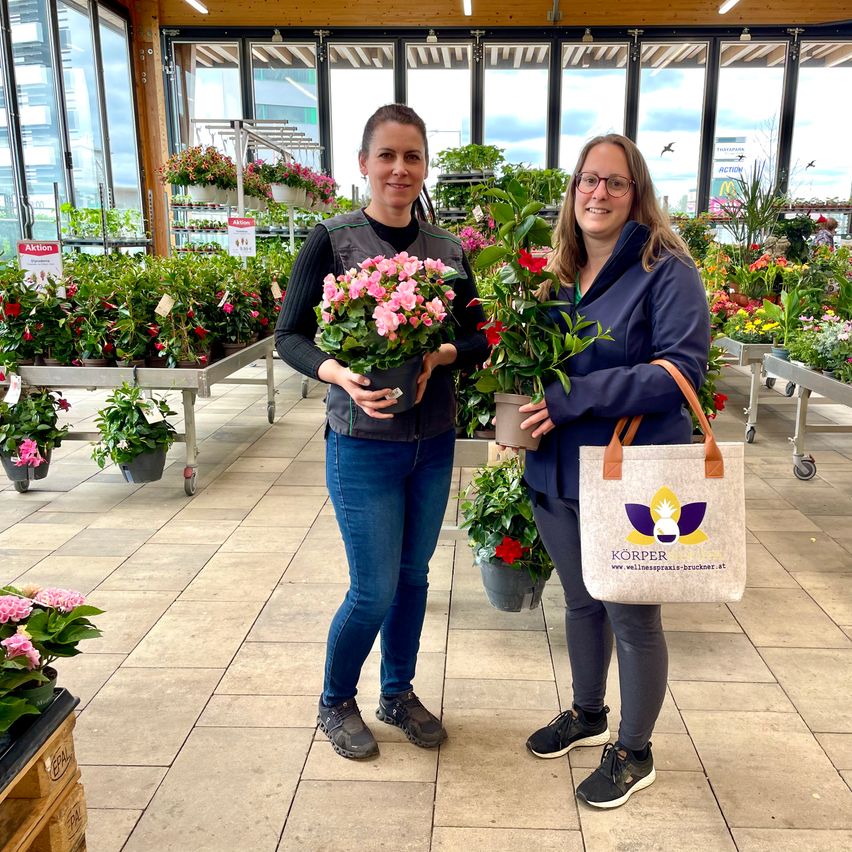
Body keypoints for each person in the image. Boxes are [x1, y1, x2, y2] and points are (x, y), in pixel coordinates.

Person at [275, 104, 488, 760]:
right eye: (387, 156)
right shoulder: (332, 240)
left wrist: (437, 356)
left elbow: (478, 337)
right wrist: (338, 373)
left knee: (415, 576)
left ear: (425, 167)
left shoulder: (447, 252)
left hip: (432, 442)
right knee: (373, 587)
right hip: (362, 445)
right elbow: (289, 335)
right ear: (363, 164)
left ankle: (396, 693)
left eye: (413, 156)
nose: (400, 169)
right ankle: (335, 700)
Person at [517, 134, 710, 808]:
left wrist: (574, 400)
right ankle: (588, 712)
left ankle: (635, 749)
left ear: (638, 195)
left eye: (615, 183)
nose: (597, 194)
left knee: (631, 618)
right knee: (577, 601)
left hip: (630, 478)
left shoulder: (667, 271)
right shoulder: (557, 278)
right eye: (587, 181)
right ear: (573, 193)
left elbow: (681, 372)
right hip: (556, 474)